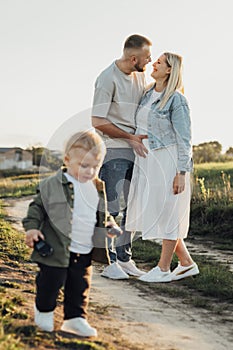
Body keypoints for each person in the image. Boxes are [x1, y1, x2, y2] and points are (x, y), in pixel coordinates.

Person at [22, 131, 119, 336]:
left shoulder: (97, 188)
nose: (90, 171)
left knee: (80, 286)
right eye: (84, 166)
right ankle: (44, 313)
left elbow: (101, 214)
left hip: (84, 249)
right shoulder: (53, 184)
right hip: (56, 248)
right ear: (67, 160)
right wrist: (31, 228)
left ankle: (75, 319)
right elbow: (36, 208)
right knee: (50, 282)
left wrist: (109, 225)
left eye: (95, 166)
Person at [126, 52, 199, 282]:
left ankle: (164, 268)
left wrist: (181, 172)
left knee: (169, 212)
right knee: (158, 213)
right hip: (148, 162)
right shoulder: (147, 93)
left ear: (169, 70)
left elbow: (185, 139)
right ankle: (186, 263)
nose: (154, 63)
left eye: (159, 62)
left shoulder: (177, 99)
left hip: (168, 160)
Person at [91, 34, 152, 279]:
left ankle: (125, 257)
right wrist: (129, 137)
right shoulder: (107, 79)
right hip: (115, 150)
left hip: (137, 149)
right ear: (133, 57)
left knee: (132, 208)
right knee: (112, 208)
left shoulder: (140, 74)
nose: (150, 60)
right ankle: (109, 261)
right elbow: (97, 120)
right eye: (147, 57)